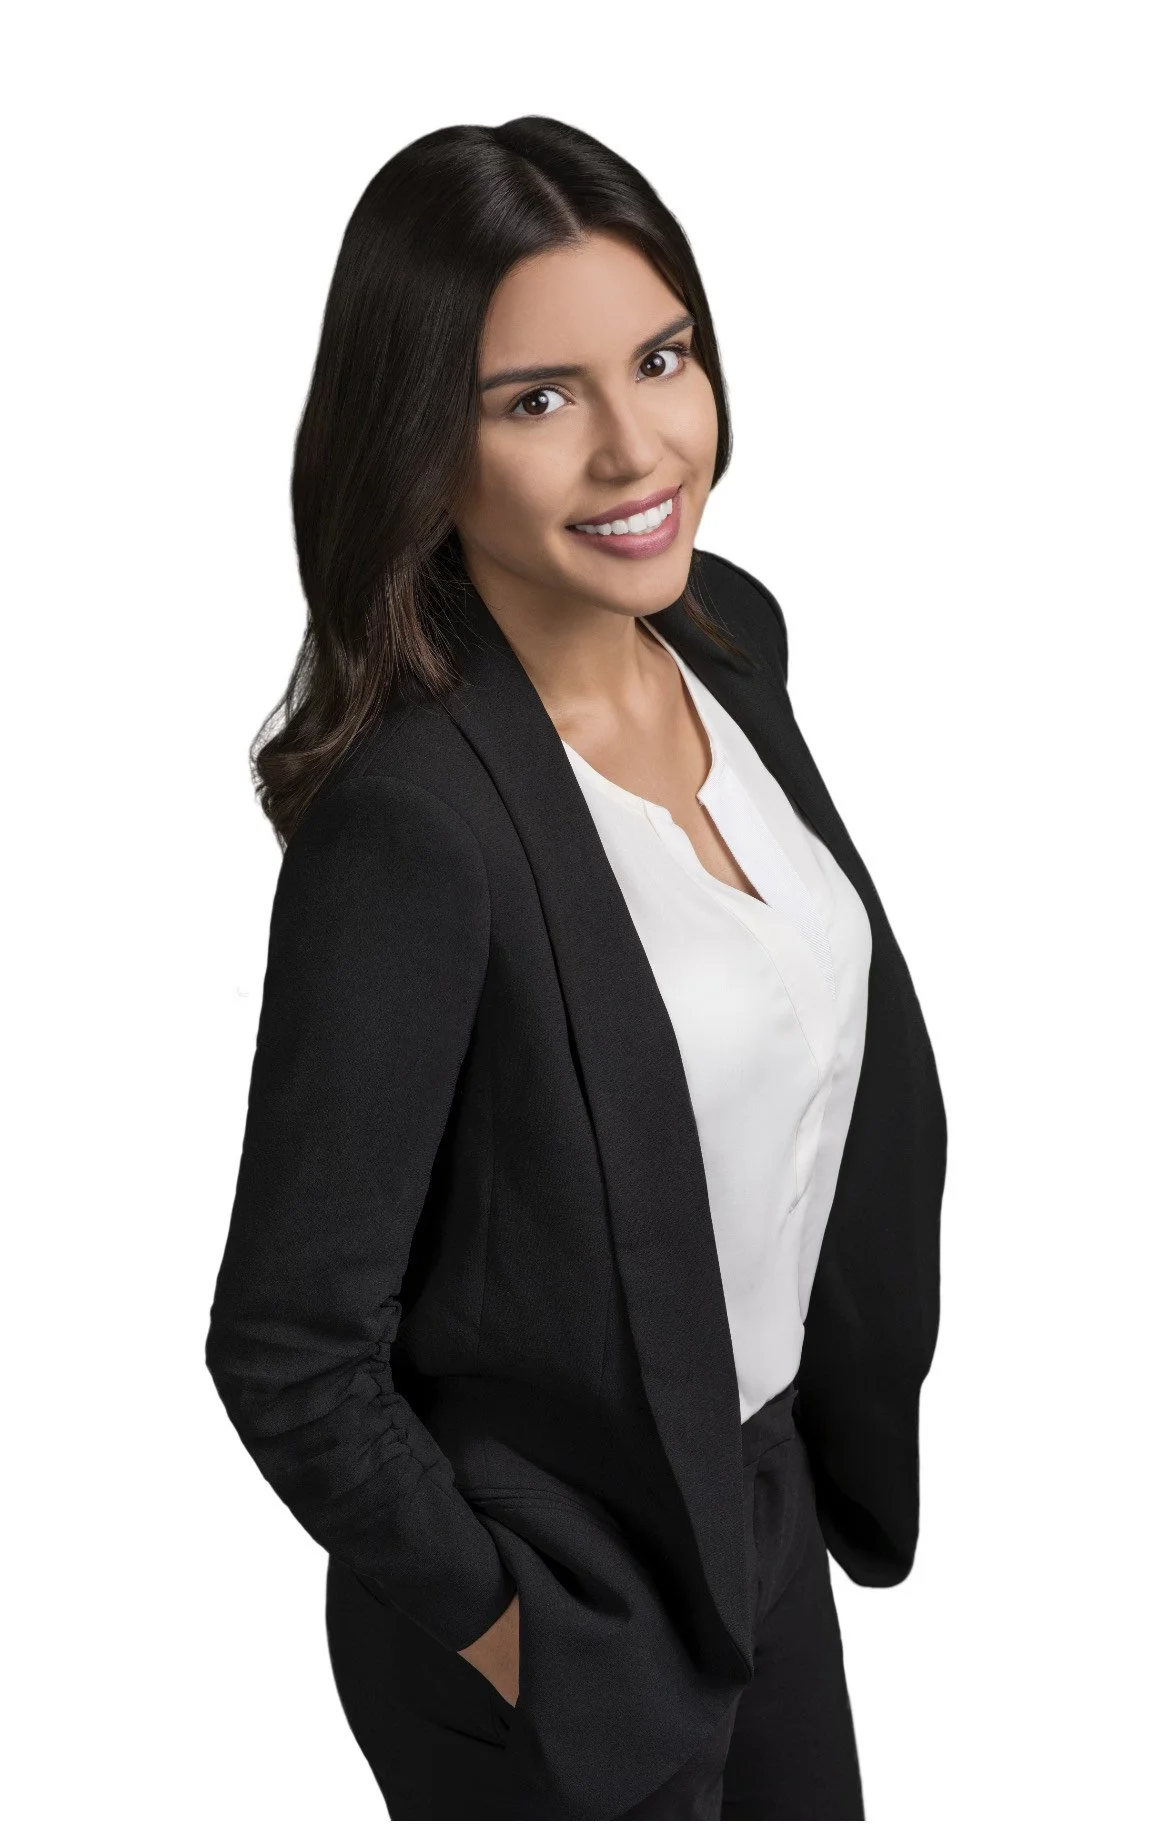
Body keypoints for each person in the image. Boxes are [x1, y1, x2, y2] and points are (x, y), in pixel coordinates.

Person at [205, 114, 947, 1821]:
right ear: (419, 442)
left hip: (760, 1505)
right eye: (536, 399)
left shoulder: (725, 635)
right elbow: (290, 1346)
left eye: (660, 358)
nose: (634, 448)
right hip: (564, 1592)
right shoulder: (414, 825)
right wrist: (517, 1632)